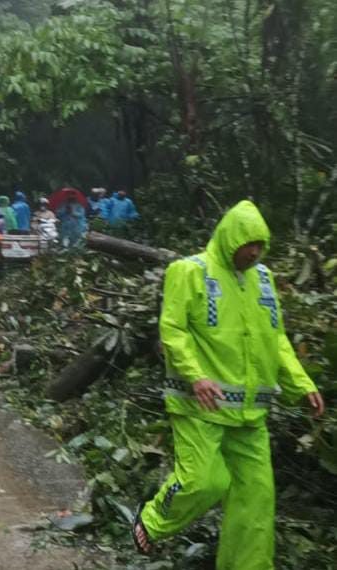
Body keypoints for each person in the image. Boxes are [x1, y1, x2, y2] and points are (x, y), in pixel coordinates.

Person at [132, 200, 325, 569]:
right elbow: (172, 329)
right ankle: (152, 521)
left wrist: (302, 384)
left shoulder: (264, 280)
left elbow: (277, 339)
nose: (254, 252)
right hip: (199, 407)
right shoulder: (189, 271)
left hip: (250, 415)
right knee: (206, 482)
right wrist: (196, 375)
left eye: (260, 245)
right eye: (247, 243)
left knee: (256, 501)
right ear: (230, 238)